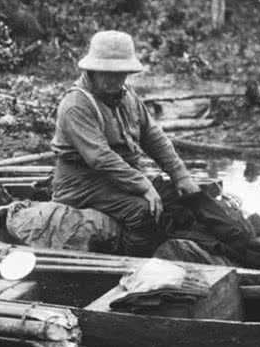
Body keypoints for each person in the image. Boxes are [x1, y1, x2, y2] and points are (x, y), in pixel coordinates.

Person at [50, 30, 199, 257]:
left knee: (178, 200)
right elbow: (100, 158)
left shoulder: (127, 95)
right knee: (143, 211)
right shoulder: (76, 105)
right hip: (82, 185)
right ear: (91, 70)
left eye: (121, 74)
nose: (115, 80)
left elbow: (152, 136)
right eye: (107, 73)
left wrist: (180, 174)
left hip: (118, 179)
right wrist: (143, 185)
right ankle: (129, 264)